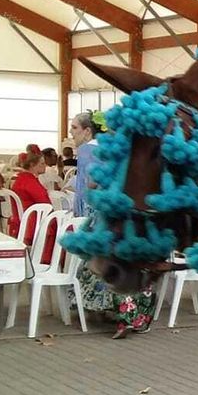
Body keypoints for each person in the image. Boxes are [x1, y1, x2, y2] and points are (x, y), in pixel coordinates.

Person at [67, 111, 155, 338]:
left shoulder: (99, 152)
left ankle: (119, 315)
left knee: (109, 263)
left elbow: (91, 185)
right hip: (138, 218)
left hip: (112, 218)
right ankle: (135, 318)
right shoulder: (142, 155)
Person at [9, 151, 53, 243]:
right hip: (32, 224)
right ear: (33, 165)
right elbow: (46, 204)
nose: (45, 165)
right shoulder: (30, 182)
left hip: (20, 220)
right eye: (42, 163)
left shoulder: (21, 179)